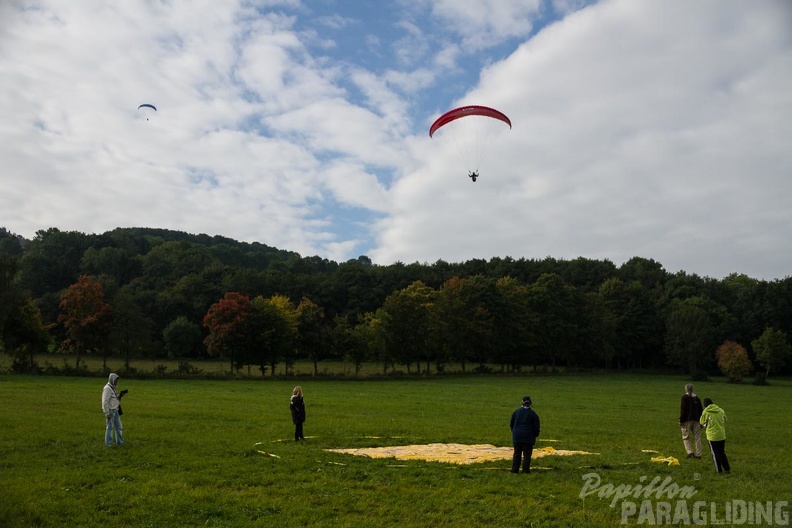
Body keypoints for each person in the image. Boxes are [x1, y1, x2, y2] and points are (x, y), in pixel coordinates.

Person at [510, 395, 540, 474]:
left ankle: (514, 470)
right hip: (528, 437)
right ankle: (525, 470)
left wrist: (514, 432)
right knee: (527, 454)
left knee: (517, 453)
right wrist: (535, 434)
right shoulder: (533, 414)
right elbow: (536, 427)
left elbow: (511, 424)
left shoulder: (516, 412)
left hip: (517, 435)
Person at [700, 398, 730, 474]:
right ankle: (727, 469)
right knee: (722, 452)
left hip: (712, 436)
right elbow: (725, 420)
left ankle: (719, 470)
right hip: (721, 435)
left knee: (715, 453)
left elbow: (701, 423)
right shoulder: (721, 410)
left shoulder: (706, 412)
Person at [679, 384, 703, 458]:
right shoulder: (697, 398)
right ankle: (698, 454)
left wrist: (681, 420)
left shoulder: (684, 398)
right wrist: (701, 421)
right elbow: (701, 410)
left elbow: (683, 410)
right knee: (697, 437)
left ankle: (690, 452)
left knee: (686, 436)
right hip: (696, 420)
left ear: (686, 389)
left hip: (687, 420)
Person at [101, 373, 124, 446]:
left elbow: (113, 398)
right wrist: (107, 413)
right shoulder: (107, 388)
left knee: (119, 427)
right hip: (110, 411)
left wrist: (119, 396)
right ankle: (108, 444)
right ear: (112, 379)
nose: (116, 382)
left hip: (115, 410)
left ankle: (120, 442)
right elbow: (105, 402)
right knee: (110, 428)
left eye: (117, 380)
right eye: (115, 380)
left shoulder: (113, 387)